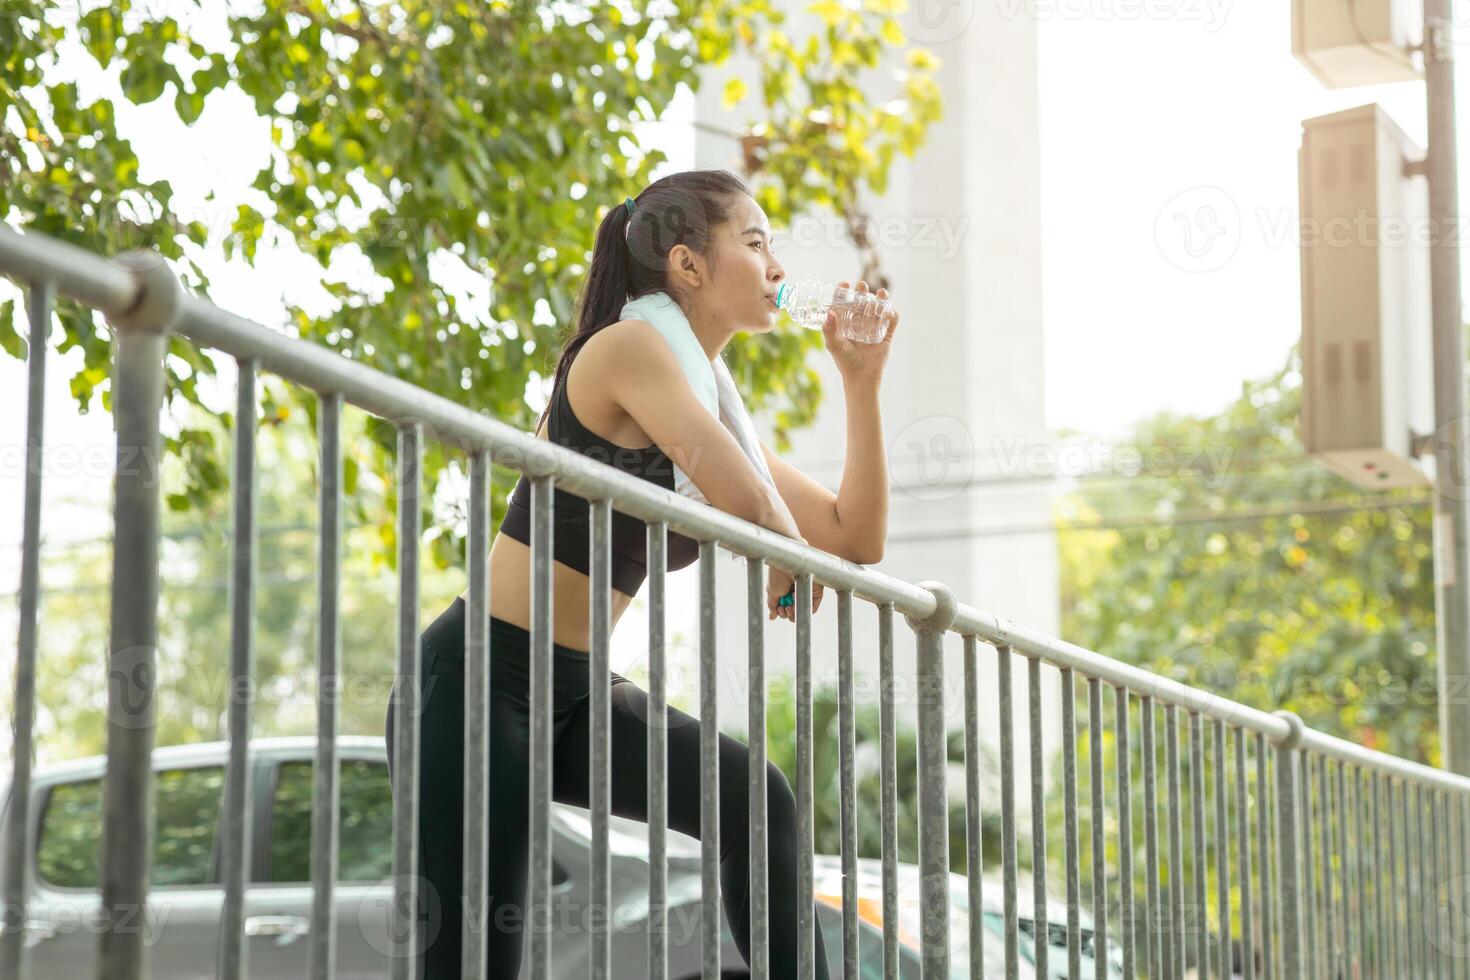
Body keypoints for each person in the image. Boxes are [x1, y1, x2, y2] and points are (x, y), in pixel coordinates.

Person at [385, 167, 899, 978]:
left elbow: (852, 534)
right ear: (689, 265)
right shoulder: (628, 351)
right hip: (480, 683)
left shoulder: (711, 401)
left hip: (580, 691)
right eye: (757, 242)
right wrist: (781, 554)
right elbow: (740, 496)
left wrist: (860, 382)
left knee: (751, 797)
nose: (776, 267)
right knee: (476, 961)